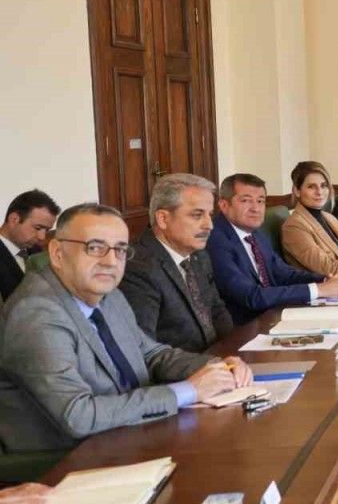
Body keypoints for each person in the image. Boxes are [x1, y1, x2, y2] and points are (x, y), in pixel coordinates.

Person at [0, 203, 251, 453]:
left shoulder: (107, 294)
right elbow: (78, 416)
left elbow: (150, 354)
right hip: (66, 458)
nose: (110, 261)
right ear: (57, 252)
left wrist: (216, 368)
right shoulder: (36, 312)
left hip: (127, 432)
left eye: (120, 250)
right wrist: (189, 391)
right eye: (94, 247)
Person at [207, 173, 338, 325]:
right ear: (224, 205)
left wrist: (325, 279)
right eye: (246, 200)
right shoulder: (215, 240)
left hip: (273, 316)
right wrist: (319, 290)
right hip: (244, 328)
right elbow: (251, 296)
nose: (256, 208)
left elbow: (284, 274)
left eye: (260, 201)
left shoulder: (254, 233)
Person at [118, 174, 233, 353]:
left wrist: (237, 352)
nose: (209, 225)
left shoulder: (198, 255)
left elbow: (217, 311)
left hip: (217, 359)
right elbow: (145, 348)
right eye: (197, 215)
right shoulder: (138, 267)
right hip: (183, 366)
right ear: (163, 219)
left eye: (210, 215)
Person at [0, 190, 60, 301]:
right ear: (14, 219)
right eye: (38, 228)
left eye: (47, 230)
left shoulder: (37, 252)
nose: (42, 237)